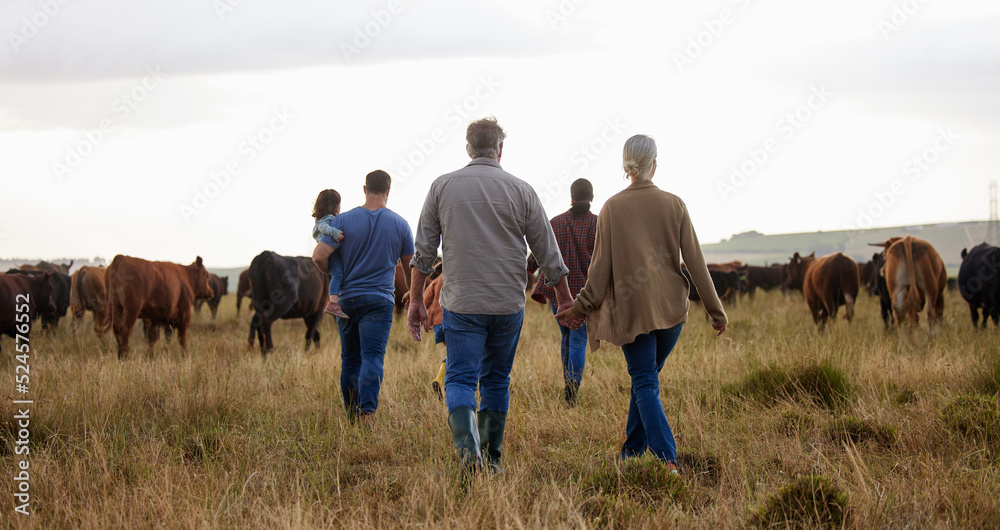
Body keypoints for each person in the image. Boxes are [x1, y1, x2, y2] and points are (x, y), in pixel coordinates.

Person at [407, 117, 573, 473]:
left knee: (461, 378)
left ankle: (469, 455)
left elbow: (423, 253)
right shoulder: (522, 190)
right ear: (500, 149)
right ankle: (493, 459)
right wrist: (565, 298)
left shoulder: (442, 186)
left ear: (468, 149)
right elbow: (548, 251)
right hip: (507, 303)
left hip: (461, 304)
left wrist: (417, 300)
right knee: (497, 379)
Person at [556, 134, 727, 474]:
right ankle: (632, 453)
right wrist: (715, 310)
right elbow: (695, 262)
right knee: (644, 381)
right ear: (654, 164)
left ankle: (667, 461)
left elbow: (599, 269)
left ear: (626, 165)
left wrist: (579, 307)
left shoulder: (612, 208)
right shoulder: (674, 204)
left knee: (645, 382)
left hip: (632, 314)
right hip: (672, 312)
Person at [312, 170, 414, 427]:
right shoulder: (401, 224)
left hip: (346, 300)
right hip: (379, 301)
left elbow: (318, 256)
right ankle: (367, 413)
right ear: (388, 191)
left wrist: (334, 272)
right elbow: (410, 266)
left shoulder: (342, 221)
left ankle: (351, 415)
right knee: (372, 358)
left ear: (364, 189)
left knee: (350, 359)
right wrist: (413, 293)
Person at [527, 178, 598, 407]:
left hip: (558, 294)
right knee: (578, 340)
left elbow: (534, 258)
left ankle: (568, 386)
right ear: (592, 197)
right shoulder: (598, 225)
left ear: (571, 197)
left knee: (566, 337)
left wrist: (528, 270)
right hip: (586, 296)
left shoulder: (554, 223)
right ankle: (572, 392)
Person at [311, 189, 348, 319]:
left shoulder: (322, 219)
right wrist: (335, 233)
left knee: (338, 274)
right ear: (335, 206)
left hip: (331, 252)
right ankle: (333, 303)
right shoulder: (326, 220)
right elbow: (323, 228)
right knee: (338, 275)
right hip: (331, 253)